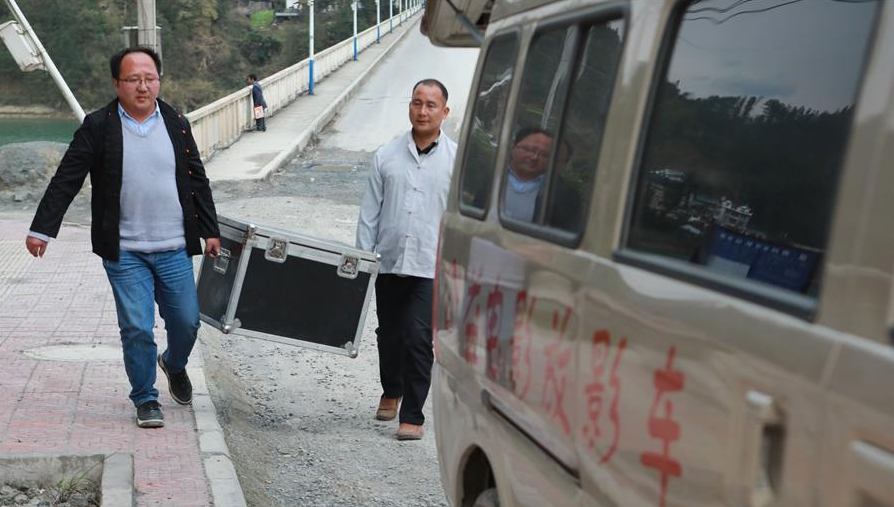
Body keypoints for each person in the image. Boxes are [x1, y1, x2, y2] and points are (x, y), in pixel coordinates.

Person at [25, 47, 221, 429]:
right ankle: (145, 398)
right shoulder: (99, 126)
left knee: (187, 322)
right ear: (117, 84)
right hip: (125, 250)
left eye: (149, 78)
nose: (142, 86)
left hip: (174, 246)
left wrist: (209, 229)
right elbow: (67, 177)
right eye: (133, 79)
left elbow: (197, 178)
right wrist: (42, 229)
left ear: (159, 80)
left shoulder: (177, 122)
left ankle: (173, 363)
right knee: (136, 327)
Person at [356, 78, 457, 441]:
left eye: (431, 105)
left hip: (431, 265)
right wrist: (363, 261)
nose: (423, 111)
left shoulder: (457, 161)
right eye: (417, 103)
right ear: (410, 106)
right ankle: (392, 389)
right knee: (389, 335)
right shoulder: (386, 155)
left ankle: (412, 414)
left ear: (444, 112)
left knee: (418, 337)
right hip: (389, 261)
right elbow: (369, 214)